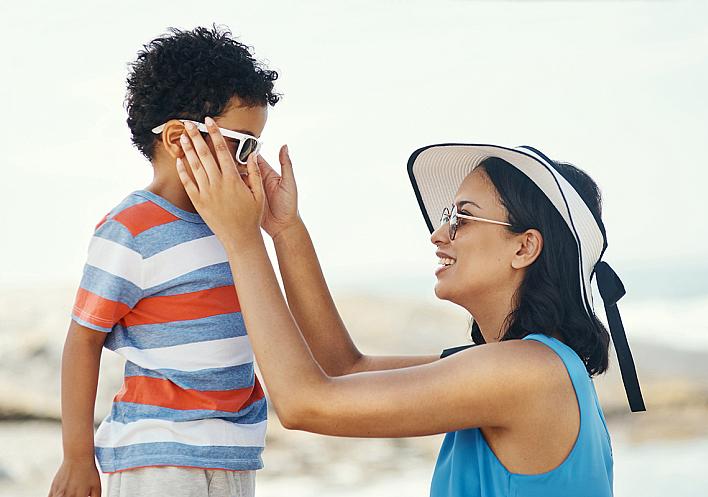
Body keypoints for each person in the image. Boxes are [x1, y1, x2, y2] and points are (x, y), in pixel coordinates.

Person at [175, 123, 645, 496]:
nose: (439, 235)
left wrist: (240, 240)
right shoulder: (524, 365)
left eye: (462, 217)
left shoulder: (526, 373)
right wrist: (283, 228)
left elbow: (304, 403)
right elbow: (342, 367)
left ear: (524, 248)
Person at [48, 26, 279, 497]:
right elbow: (82, 342)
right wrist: (77, 459)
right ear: (177, 139)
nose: (250, 162)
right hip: (158, 454)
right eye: (243, 144)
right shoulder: (130, 229)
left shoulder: (233, 225)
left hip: (234, 453)